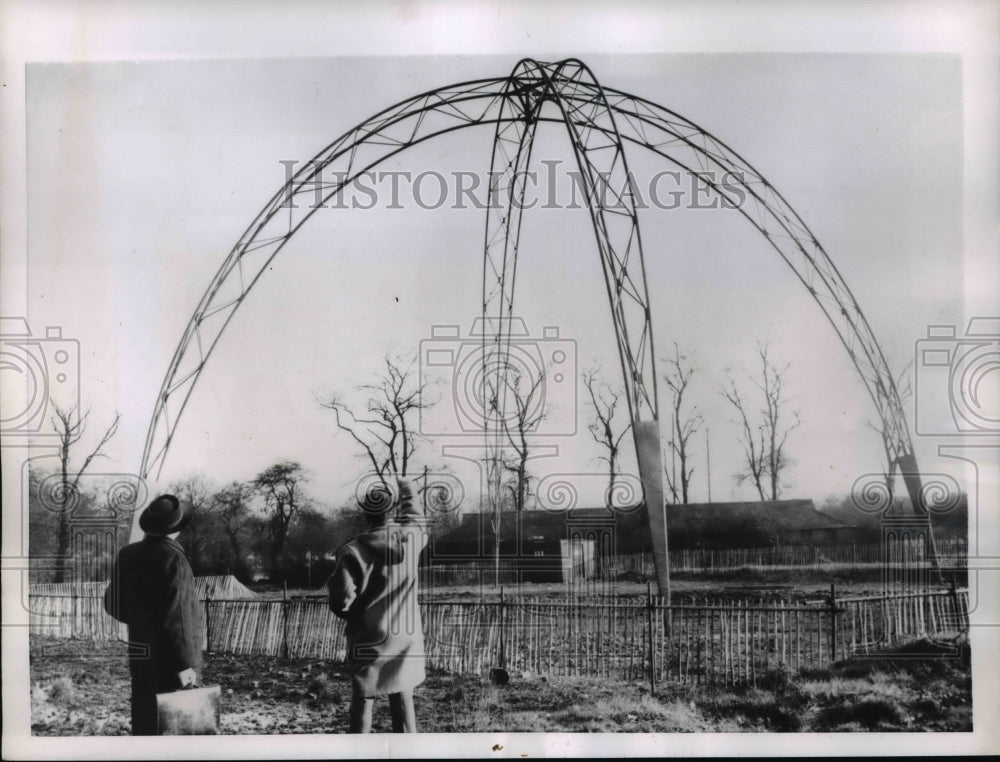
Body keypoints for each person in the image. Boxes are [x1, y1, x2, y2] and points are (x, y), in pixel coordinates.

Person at [327, 477, 429, 733]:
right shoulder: (411, 540)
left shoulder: (352, 552)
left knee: (363, 699)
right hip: (405, 637)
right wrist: (406, 487)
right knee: (403, 694)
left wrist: (355, 612)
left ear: (365, 513)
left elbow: (341, 602)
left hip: (368, 638)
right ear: (392, 510)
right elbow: (416, 517)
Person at [103, 494, 203, 735]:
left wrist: (143, 623)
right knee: (177, 731)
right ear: (175, 529)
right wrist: (185, 665)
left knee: (146, 723)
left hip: (141, 655)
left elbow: (112, 604)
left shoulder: (128, 553)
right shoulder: (174, 558)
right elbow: (177, 618)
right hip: (172, 663)